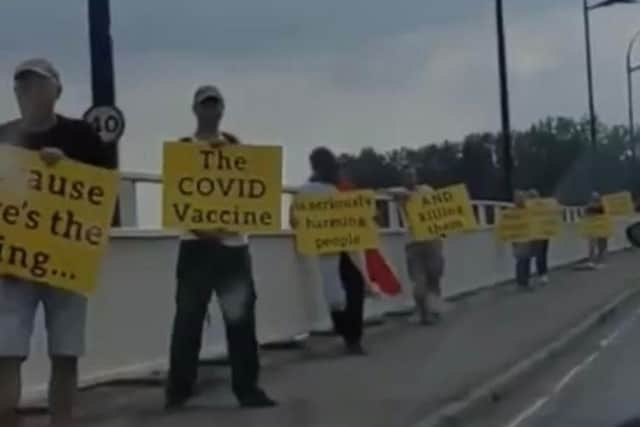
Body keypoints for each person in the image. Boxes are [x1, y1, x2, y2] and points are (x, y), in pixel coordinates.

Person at [0, 58, 114, 427]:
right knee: (6, 353)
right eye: (22, 85)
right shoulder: (1, 138)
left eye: (36, 84)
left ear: (57, 90)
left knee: (65, 353)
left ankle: (61, 422)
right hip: (12, 266)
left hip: (67, 263)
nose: (28, 91)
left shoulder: (81, 136)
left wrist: (66, 167)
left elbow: (104, 196)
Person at [165, 85, 276, 409]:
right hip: (196, 244)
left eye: (214, 104)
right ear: (195, 109)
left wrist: (225, 228)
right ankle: (178, 390)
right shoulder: (183, 149)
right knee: (188, 319)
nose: (210, 110)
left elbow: (253, 193)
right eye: (205, 105)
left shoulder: (238, 149)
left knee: (241, 321)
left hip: (233, 247)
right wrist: (207, 229)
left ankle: (248, 389)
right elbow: (177, 199)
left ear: (222, 109)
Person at [292, 147, 367, 355]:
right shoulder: (333, 190)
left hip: (322, 245)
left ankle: (345, 331)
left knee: (333, 287)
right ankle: (352, 337)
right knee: (353, 286)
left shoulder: (304, 192)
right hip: (342, 244)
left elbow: (294, 219)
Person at [393, 169, 446, 325]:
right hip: (414, 242)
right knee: (420, 280)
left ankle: (433, 309)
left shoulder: (426, 190)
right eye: (407, 176)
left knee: (434, 276)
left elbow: (439, 208)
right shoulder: (401, 195)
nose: (410, 179)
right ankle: (425, 313)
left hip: (431, 239)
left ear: (417, 178)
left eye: (412, 176)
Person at [528, 189, 549, 285]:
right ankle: (542, 274)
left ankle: (541, 274)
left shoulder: (542, 206)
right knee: (540, 255)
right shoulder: (529, 207)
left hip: (542, 233)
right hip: (537, 233)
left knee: (541, 254)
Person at [513, 190, 533, 291]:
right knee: (521, 261)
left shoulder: (527, 210)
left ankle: (525, 282)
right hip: (519, 238)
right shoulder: (513, 212)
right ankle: (522, 283)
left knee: (526, 260)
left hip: (527, 237)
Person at [585, 192, 607, 269]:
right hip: (593, 228)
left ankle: (601, 261)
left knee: (601, 245)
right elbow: (586, 216)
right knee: (592, 245)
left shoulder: (604, 205)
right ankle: (591, 261)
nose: (595, 199)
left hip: (602, 228)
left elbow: (607, 215)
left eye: (596, 198)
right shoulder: (589, 206)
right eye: (593, 198)